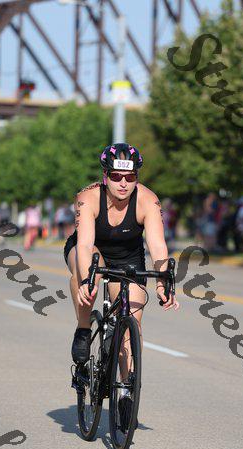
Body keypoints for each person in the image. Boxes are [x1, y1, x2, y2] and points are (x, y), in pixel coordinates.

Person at [63, 143, 180, 413]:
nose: (123, 183)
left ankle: (127, 390)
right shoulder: (87, 198)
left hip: (128, 257)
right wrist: (87, 281)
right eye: (116, 176)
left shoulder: (148, 200)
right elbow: (84, 245)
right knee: (89, 275)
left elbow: (157, 245)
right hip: (90, 250)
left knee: (131, 325)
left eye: (130, 177)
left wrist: (163, 282)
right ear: (105, 176)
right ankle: (83, 328)